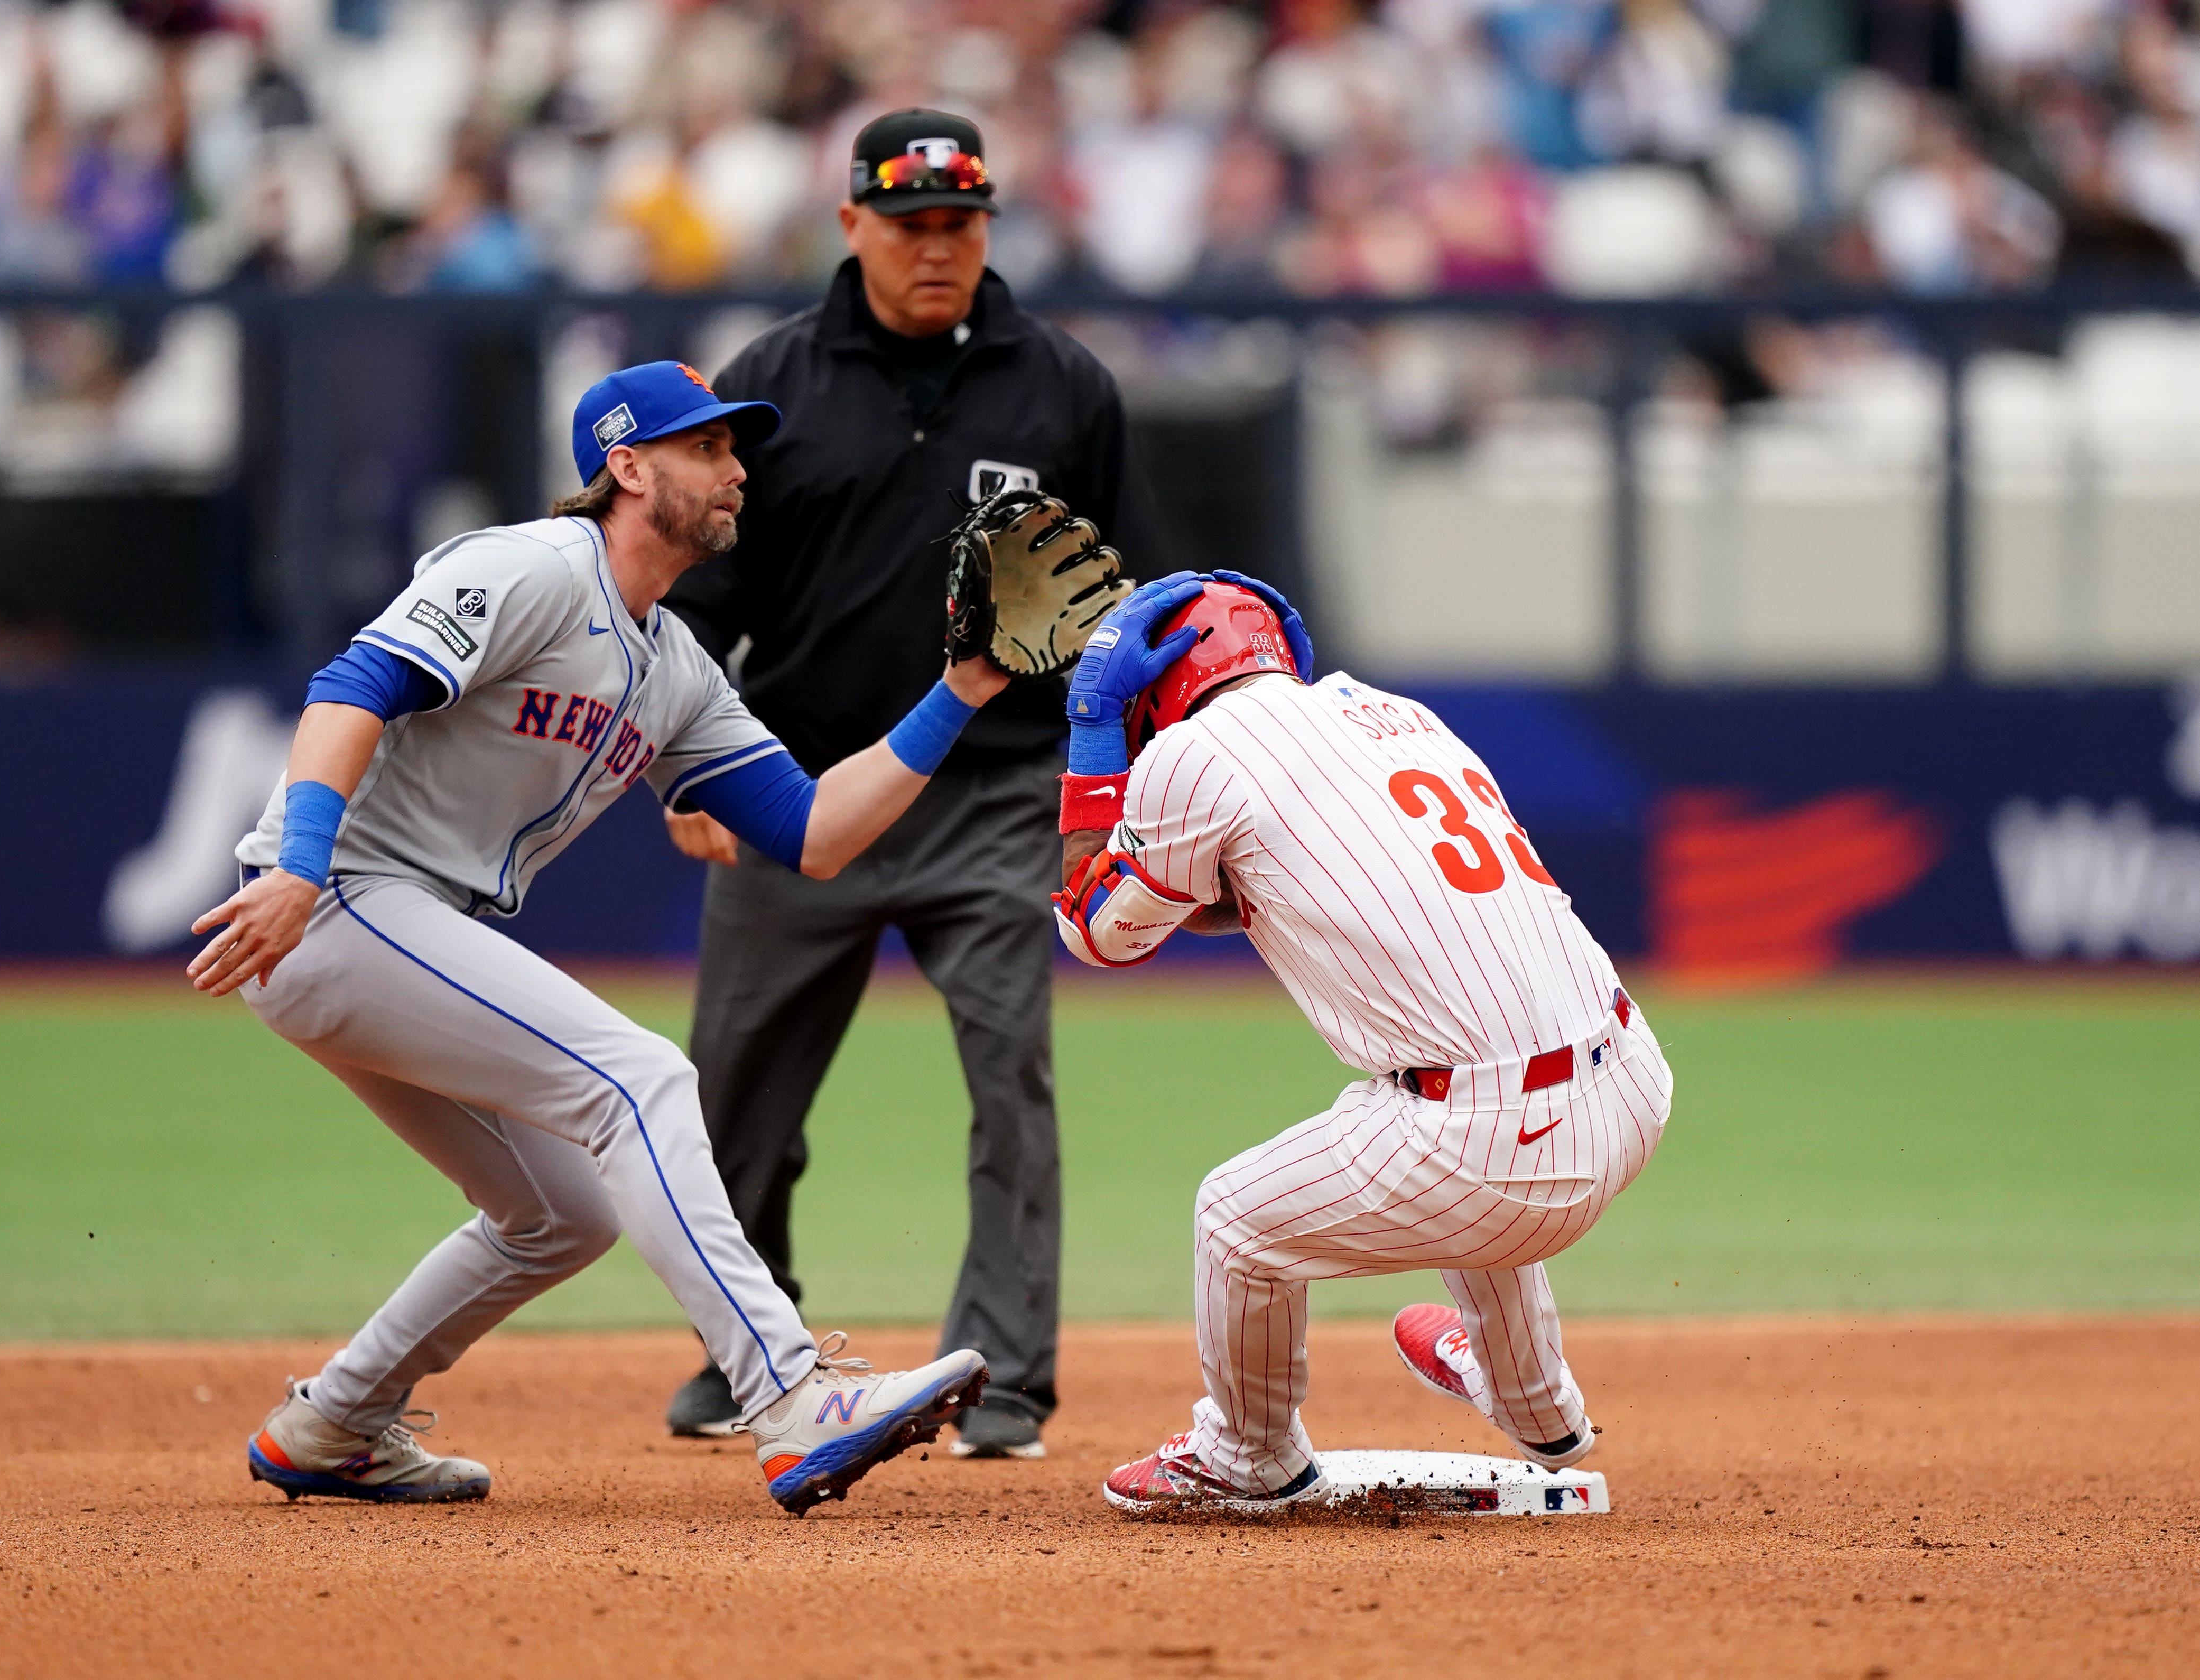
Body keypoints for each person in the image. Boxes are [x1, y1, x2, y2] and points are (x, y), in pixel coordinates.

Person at [190, 360, 1005, 1517]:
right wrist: (302, 865)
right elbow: (349, 686)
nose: (736, 472)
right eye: (708, 449)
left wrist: (962, 688)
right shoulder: (528, 567)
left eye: (736, 450)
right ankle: (790, 1397)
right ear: (627, 467)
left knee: (560, 1214)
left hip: (395, 929)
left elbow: (814, 833)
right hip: (339, 899)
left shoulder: (673, 665)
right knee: (640, 1079)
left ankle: (336, 1421)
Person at [656, 108, 1161, 1458]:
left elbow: (1125, 618)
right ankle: (746, 1354)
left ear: (991, 227)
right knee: (732, 1099)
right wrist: (692, 766)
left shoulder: (1065, 387)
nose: (939, 247)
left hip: (997, 798)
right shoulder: (772, 382)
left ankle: (1003, 1383)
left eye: (963, 223)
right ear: (853, 226)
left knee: (1013, 1092)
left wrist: (1109, 792)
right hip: (793, 789)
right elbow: (698, 602)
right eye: (912, 223)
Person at [1047, 572, 1675, 1513]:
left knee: (1234, 1220)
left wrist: (1093, 736)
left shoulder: (1191, 753)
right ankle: (1536, 1406)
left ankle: (1246, 1457)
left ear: (1157, 692)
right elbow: (1267, 877)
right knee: (1437, 1095)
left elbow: (1100, 933)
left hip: (1494, 1149)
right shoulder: (1390, 709)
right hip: (1632, 1082)